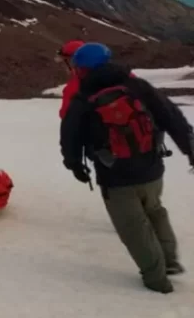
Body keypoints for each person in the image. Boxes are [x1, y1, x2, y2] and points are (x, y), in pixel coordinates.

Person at [61, 42, 194, 294]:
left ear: (83, 70)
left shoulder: (83, 99)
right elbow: (171, 116)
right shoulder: (138, 87)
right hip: (152, 168)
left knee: (133, 228)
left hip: (115, 176)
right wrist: (190, 149)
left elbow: (70, 137)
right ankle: (170, 262)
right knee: (155, 211)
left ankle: (156, 281)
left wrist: (75, 165)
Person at [56, 40, 85, 119]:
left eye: (64, 62)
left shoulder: (76, 85)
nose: (63, 67)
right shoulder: (99, 77)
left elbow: (67, 115)